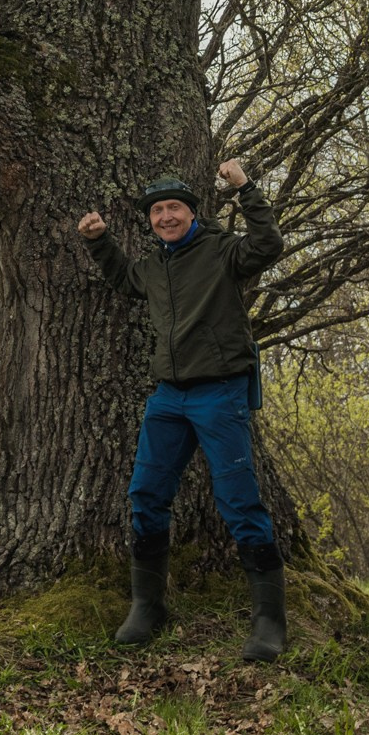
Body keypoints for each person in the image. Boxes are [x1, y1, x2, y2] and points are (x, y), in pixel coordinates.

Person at [77, 160, 287, 662]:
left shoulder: (221, 250)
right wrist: (99, 241)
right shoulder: (153, 266)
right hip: (168, 397)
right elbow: (127, 280)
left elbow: (269, 244)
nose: (165, 216)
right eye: (156, 211)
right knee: (146, 495)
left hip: (221, 391)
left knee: (239, 502)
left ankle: (270, 620)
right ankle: (148, 607)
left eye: (174, 208)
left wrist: (245, 188)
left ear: (192, 212)